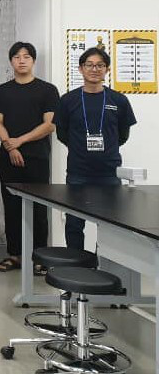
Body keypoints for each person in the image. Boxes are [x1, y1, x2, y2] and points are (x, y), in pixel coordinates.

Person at [54, 48, 137, 250]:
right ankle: (77, 264)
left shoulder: (118, 100)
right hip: (78, 173)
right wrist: (79, 148)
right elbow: (62, 134)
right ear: (81, 69)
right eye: (89, 65)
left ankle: (104, 264)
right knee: (74, 224)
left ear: (107, 70)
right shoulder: (68, 100)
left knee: (110, 226)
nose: (94, 69)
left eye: (100, 65)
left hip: (109, 173)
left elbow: (122, 135)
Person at [0, 41, 59, 274]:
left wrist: (19, 141)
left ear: (33, 61)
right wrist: (10, 147)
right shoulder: (3, 91)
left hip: (37, 157)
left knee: (39, 208)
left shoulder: (47, 90)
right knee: (12, 207)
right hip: (8, 157)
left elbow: (49, 125)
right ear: (11, 61)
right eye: (17, 57)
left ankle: (40, 256)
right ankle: (15, 254)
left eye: (26, 56)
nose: (21, 60)